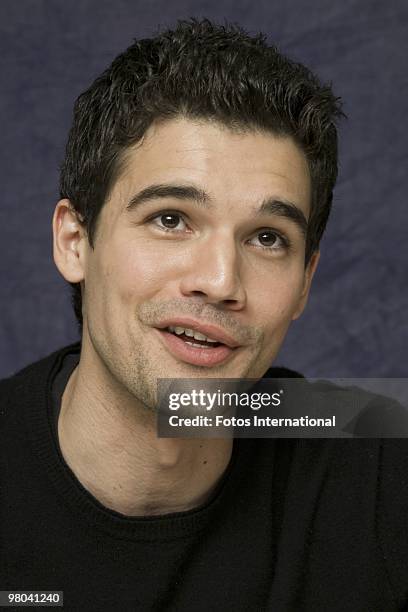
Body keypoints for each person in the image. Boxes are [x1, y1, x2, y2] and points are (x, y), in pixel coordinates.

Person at [1, 18, 407, 611]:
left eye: (267, 238)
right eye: (170, 219)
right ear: (74, 241)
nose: (220, 282)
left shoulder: (371, 460)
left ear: (304, 284)